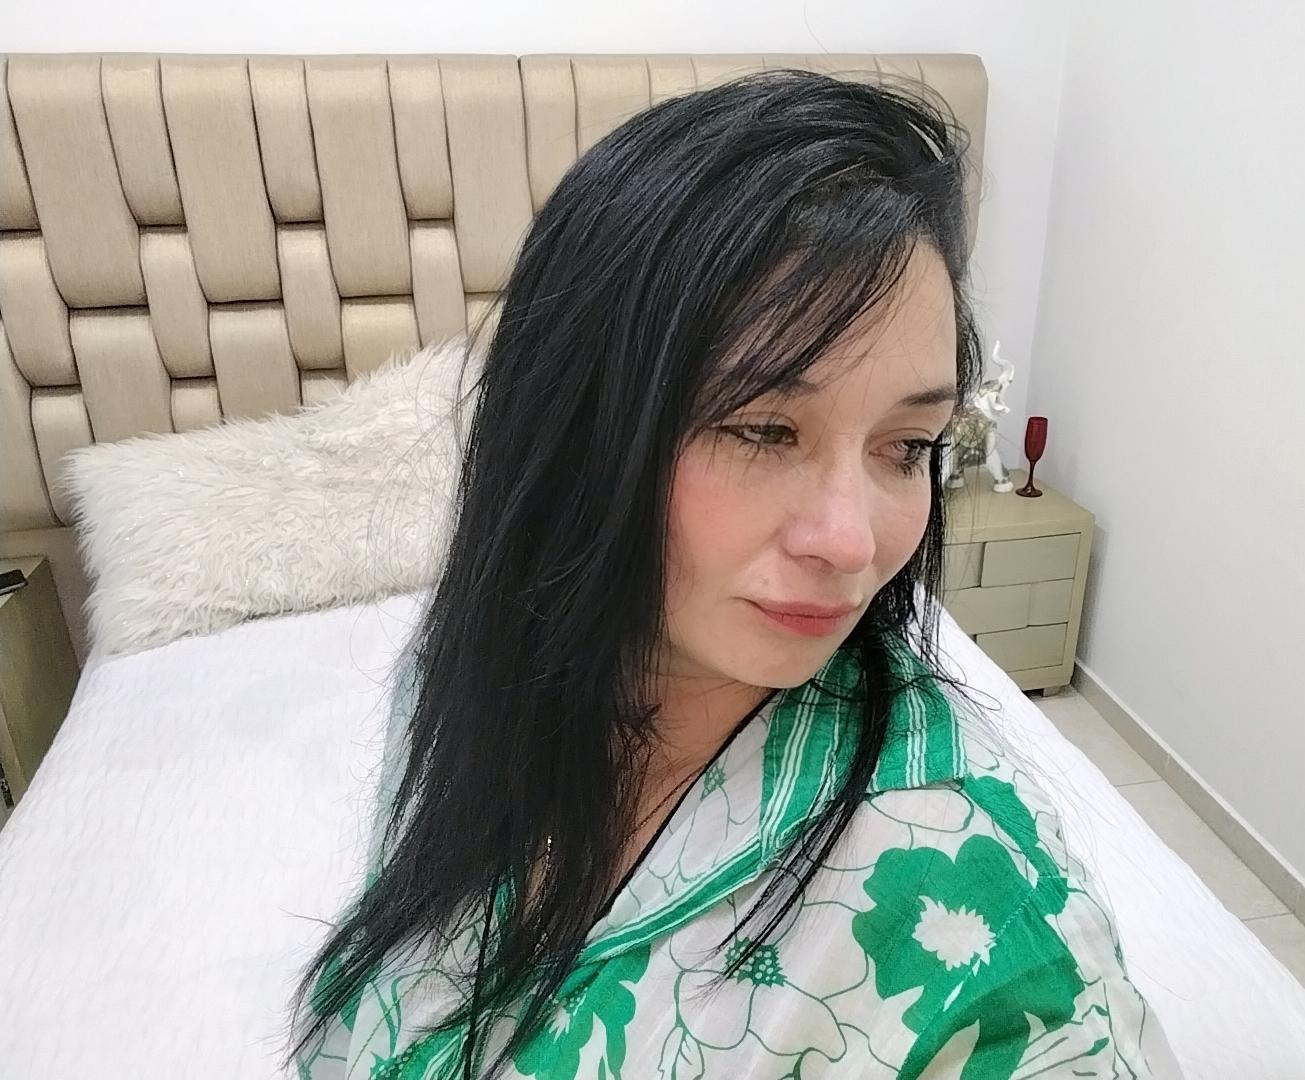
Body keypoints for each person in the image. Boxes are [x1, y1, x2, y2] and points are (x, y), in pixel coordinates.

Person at [290, 69, 1181, 1079]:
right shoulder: (460, 689)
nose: (851, 542)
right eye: (763, 429)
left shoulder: (989, 939)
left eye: (906, 446)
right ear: (574, 423)